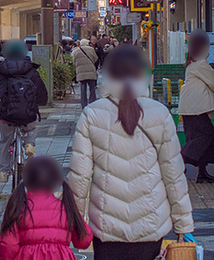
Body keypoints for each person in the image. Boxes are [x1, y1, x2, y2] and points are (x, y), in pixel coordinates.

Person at [68, 44, 194, 260]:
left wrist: (75, 223)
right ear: (141, 73)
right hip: (150, 224)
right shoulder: (159, 114)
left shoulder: (92, 114)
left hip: (107, 227)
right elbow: (173, 174)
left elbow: (79, 178)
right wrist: (182, 223)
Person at [0, 155, 93, 260]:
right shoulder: (65, 208)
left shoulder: (19, 208)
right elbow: (84, 240)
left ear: (28, 181)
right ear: (54, 181)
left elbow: (9, 245)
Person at [0, 39, 48, 183]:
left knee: (5, 141)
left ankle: (2, 171)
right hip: (28, 114)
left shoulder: (1, 70)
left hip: (7, 115)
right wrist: (41, 102)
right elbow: (41, 91)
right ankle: (29, 144)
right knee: (30, 129)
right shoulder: (31, 69)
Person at [178, 29, 214, 183]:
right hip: (195, 108)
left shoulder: (193, 62)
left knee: (197, 138)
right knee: (207, 135)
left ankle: (202, 173)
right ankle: (177, 162)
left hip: (190, 107)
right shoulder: (200, 63)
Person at [71, 38, 99, 108]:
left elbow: (74, 62)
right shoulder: (91, 49)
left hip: (81, 72)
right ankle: (93, 102)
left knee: (83, 89)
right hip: (91, 71)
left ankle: (84, 104)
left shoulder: (76, 51)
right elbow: (95, 59)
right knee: (92, 88)